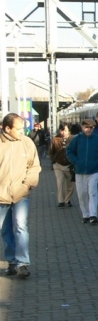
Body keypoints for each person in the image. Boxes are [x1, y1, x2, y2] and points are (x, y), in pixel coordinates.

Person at [0, 113, 41, 278]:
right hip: (1, 195)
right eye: (18, 129)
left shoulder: (27, 143)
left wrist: (27, 185)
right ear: (7, 128)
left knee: (20, 226)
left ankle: (23, 263)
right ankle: (11, 261)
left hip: (21, 194)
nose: (22, 131)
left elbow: (34, 166)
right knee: (5, 230)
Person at [66, 118, 98, 225]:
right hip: (79, 171)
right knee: (82, 194)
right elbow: (69, 151)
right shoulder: (77, 139)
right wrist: (76, 161)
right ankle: (85, 214)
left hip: (94, 171)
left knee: (92, 192)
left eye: (91, 128)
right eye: (86, 127)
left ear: (93, 128)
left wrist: (97, 162)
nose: (88, 130)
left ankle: (93, 215)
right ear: (82, 127)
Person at [49, 122, 75, 208]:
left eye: (65, 130)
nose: (63, 132)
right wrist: (53, 161)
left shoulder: (73, 139)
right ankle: (61, 201)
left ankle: (68, 200)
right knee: (60, 183)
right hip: (58, 165)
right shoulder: (55, 139)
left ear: (69, 131)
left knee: (70, 184)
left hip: (70, 165)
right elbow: (51, 151)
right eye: (61, 130)